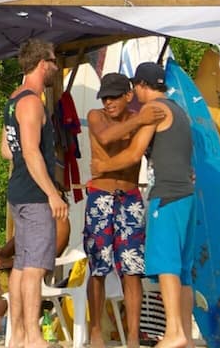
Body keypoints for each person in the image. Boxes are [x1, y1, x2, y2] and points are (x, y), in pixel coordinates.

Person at [105, 62, 196, 348]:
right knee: (183, 270)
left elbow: (134, 153)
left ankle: (174, 332)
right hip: (187, 195)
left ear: (142, 85)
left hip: (166, 195)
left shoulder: (153, 110)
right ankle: (185, 336)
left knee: (167, 265)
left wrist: (103, 166)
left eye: (135, 87)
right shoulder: (180, 111)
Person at [83, 72, 161, 348]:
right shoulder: (96, 116)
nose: (108, 102)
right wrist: (140, 119)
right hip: (100, 196)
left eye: (114, 96)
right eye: (104, 97)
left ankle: (133, 335)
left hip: (130, 197)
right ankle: (95, 330)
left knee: (132, 269)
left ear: (128, 96)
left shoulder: (139, 118)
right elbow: (105, 138)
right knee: (98, 267)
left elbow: (140, 151)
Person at [0, 39, 65, 348]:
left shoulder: (13, 100)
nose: (55, 67)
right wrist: (52, 193)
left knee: (21, 265)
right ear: (42, 64)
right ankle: (33, 337)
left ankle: (17, 337)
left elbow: (6, 149)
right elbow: (29, 151)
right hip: (35, 194)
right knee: (34, 268)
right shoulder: (31, 103)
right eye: (53, 62)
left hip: (18, 191)